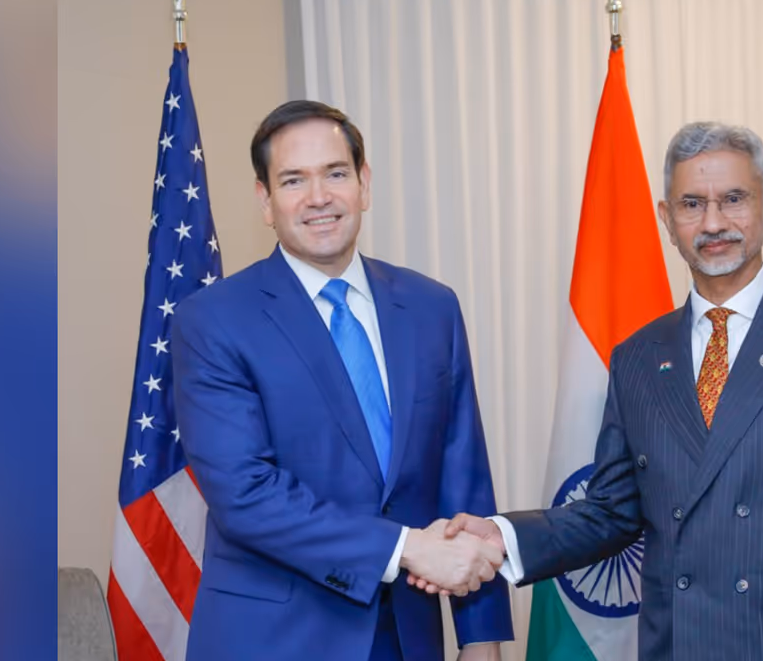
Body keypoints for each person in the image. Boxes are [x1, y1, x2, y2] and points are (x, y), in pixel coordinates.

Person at [420, 122, 763, 660]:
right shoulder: (636, 357)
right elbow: (612, 511)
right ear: (666, 219)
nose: (714, 223)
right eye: (692, 204)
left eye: (733, 199)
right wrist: (503, 537)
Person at [172, 100, 512, 661]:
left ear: (364, 183)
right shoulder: (211, 321)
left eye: (335, 173)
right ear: (265, 201)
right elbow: (245, 494)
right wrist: (404, 548)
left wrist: (482, 638)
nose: (319, 197)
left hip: (408, 637)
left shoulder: (432, 307)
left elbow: (464, 481)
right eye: (292, 180)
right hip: (274, 640)